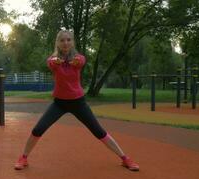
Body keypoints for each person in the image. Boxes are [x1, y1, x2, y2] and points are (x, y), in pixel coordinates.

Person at [14, 30, 139, 171]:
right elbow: (51, 62)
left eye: (68, 40)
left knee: (99, 131)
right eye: (62, 40)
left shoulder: (79, 58)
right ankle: (23, 158)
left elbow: (80, 61)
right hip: (59, 103)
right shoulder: (53, 60)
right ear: (58, 43)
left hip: (78, 102)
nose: (65, 43)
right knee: (38, 129)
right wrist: (58, 61)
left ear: (72, 42)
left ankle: (125, 158)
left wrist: (72, 61)